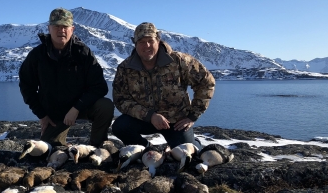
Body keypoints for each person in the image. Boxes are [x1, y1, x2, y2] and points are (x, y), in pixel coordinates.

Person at [19, 8, 114, 147]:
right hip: (53, 114)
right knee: (50, 149)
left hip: (81, 107)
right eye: (56, 26)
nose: (61, 30)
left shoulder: (83, 53)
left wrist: (76, 108)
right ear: (49, 28)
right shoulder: (37, 55)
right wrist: (42, 115)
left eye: (65, 26)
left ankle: (97, 145)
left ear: (72, 29)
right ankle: (59, 142)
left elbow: (99, 87)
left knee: (105, 106)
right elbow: (26, 86)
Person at [112, 22, 215, 149]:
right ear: (135, 43)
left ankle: (194, 143)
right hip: (144, 119)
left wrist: (192, 116)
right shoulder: (125, 68)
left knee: (185, 152)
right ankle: (146, 148)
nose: (147, 45)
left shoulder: (179, 60)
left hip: (176, 121)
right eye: (141, 42)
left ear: (158, 40)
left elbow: (206, 83)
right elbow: (120, 99)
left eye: (150, 40)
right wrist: (150, 115)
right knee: (119, 127)